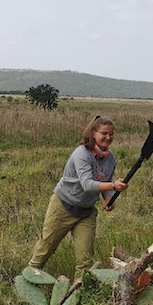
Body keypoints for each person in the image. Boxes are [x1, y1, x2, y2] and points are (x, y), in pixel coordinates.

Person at [27, 115, 127, 286]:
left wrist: (108, 198)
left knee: (85, 260)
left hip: (86, 212)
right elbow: (88, 184)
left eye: (111, 134)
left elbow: (105, 180)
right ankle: (28, 282)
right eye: (104, 133)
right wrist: (113, 185)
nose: (108, 137)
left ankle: (78, 296)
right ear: (93, 133)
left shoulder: (110, 158)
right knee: (45, 249)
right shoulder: (81, 153)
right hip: (63, 206)